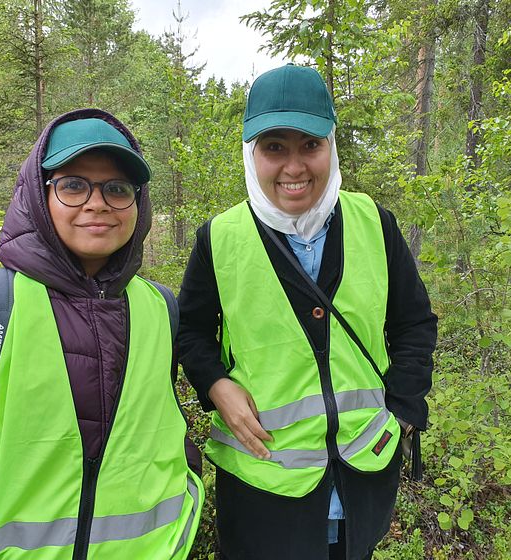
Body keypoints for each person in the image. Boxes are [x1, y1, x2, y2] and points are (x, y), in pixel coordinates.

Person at [0, 109, 203, 559]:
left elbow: (161, 433)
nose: (97, 203)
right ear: (37, 197)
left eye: (117, 189)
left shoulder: (160, 307)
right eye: (73, 185)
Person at [178, 64, 437, 560]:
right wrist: (215, 384)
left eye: (310, 145)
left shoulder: (374, 223)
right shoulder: (219, 239)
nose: (294, 167)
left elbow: (414, 323)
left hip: (362, 482)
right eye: (275, 147)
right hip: (264, 490)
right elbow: (191, 332)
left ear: (331, 146)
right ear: (251, 152)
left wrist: (402, 410)